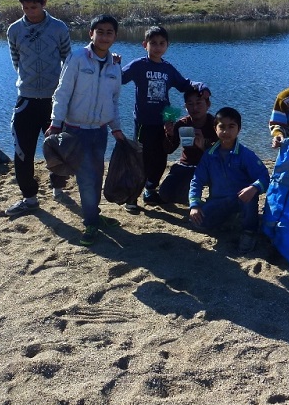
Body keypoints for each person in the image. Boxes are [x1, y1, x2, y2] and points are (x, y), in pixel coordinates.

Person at [48, 14, 125, 245]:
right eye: (99, 31)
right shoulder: (77, 58)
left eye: (109, 32)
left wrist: (116, 129)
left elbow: (113, 101)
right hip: (75, 131)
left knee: (96, 175)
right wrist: (55, 122)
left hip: (99, 132)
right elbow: (62, 93)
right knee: (85, 178)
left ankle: (94, 215)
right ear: (91, 33)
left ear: (115, 36)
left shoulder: (115, 65)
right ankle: (91, 223)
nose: (104, 36)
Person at [121, 25, 206, 213]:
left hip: (164, 122)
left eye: (162, 43)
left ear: (167, 45)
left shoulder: (168, 69)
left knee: (160, 159)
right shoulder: (138, 65)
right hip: (143, 122)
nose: (157, 47)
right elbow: (118, 78)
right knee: (141, 159)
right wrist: (110, 64)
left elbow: (184, 85)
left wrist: (200, 85)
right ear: (145, 45)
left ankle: (150, 190)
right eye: (153, 43)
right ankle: (132, 198)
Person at [5, 0, 72, 217]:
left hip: (55, 101)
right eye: (25, 8)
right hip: (26, 99)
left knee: (59, 149)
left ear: (44, 3)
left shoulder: (59, 28)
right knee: (22, 151)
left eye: (34, 7)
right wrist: (30, 83)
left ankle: (58, 187)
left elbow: (69, 62)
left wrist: (61, 92)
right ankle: (30, 198)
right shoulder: (14, 30)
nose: (30, 12)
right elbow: (16, 62)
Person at [189, 107, 270, 253]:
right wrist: (194, 205)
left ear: (239, 129)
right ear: (215, 129)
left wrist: (254, 188)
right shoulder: (209, 155)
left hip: (241, 199)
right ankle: (230, 220)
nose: (226, 132)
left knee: (249, 198)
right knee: (198, 222)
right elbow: (197, 180)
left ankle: (249, 232)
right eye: (222, 127)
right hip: (219, 201)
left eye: (231, 126)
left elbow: (264, 176)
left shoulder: (245, 154)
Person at [157, 87, 218, 204]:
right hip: (186, 165)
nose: (194, 108)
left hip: (209, 166)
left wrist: (203, 145)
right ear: (185, 107)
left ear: (208, 104)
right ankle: (188, 195)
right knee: (165, 194)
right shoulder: (182, 124)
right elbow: (169, 150)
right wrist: (169, 134)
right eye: (190, 104)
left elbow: (222, 152)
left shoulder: (214, 124)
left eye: (199, 103)